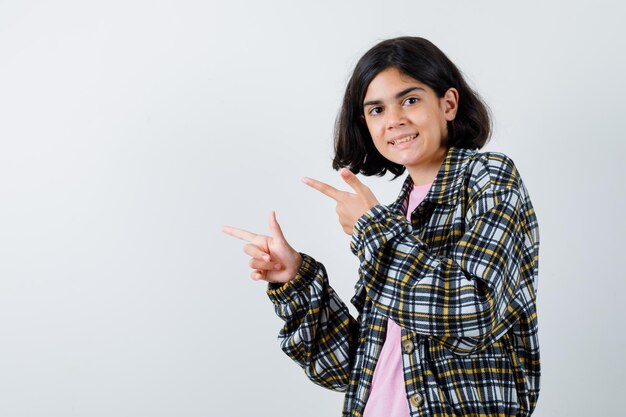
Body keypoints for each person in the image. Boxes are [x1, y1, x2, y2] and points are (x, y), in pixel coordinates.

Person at [222, 36, 540, 417]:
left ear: (448, 104)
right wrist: (297, 281)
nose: (394, 120)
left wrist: (372, 228)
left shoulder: (488, 177)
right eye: (376, 110)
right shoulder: (394, 215)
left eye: (410, 100)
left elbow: (472, 315)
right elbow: (348, 369)